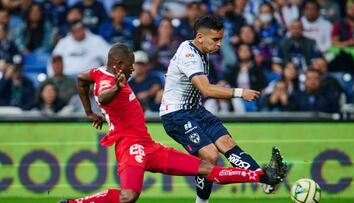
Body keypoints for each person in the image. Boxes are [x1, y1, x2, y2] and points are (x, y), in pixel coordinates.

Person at [57, 43, 286, 203]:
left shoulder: (97, 72)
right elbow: (105, 95)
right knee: (129, 197)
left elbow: (81, 79)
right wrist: (116, 88)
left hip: (149, 146)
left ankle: (262, 176)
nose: (133, 69)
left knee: (207, 168)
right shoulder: (109, 82)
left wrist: (89, 112)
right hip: (130, 146)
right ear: (118, 64)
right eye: (130, 65)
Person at [160, 15, 286, 203]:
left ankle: (265, 181)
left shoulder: (201, 50)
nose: (219, 44)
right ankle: (202, 202)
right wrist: (239, 92)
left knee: (227, 143)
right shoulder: (189, 55)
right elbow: (206, 89)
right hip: (176, 115)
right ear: (200, 37)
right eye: (215, 39)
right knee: (210, 156)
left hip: (195, 110)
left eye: (221, 39)